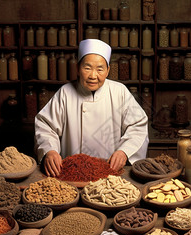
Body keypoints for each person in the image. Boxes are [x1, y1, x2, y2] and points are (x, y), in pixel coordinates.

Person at [34, 39, 149, 177]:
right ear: (77, 69)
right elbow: (45, 125)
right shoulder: (65, 92)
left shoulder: (120, 92)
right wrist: (49, 151)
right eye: (87, 68)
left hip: (110, 173)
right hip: (72, 174)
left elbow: (138, 126)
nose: (93, 76)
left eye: (100, 69)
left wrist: (124, 151)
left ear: (108, 71)